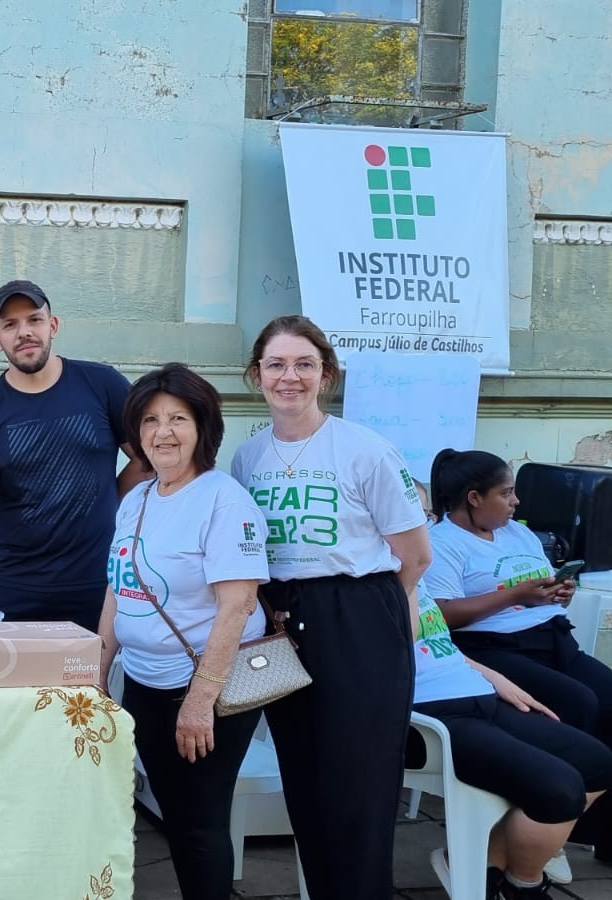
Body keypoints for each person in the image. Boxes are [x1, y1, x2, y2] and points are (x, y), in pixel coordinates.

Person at [229, 314, 431, 899]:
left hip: (358, 614)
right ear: (257, 374)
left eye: (304, 364)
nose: (289, 377)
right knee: (305, 780)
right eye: (276, 364)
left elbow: (415, 557)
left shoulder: (366, 450)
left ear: (327, 375)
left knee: (359, 786)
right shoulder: (247, 458)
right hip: (281, 621)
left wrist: (367, 616)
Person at [96, 364, 268, 900]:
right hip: (145, 683)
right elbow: (119, 589)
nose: (162, 432)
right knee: (175, 813)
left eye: (177, 419)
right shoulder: (138, 498)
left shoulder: (223, 500)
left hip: (205, 689)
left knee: (198, 821)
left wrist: (199, 701)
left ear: (203, 427)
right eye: (150, 420)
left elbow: (238, 604)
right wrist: (97, 673)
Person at [426, 448, 612, 862]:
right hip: (494, 648)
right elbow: (441, 614)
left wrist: (558, 592)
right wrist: (515, 595)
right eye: (506, 493)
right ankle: (555, 825)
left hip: (553, 638)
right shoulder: (443, 543)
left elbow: (538, 590)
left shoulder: (518, 534)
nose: (516, 502)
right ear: (475, 498)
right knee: (580, 702)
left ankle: (599, 833)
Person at [0, 279, 148, 630]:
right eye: (10, 325)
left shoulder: (102, 384)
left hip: (98, 583)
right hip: (13, 588)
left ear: (53, 325)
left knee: (91, 669)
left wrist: (110, 499)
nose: (24, 332)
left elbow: (146, 459)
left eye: (34, 320)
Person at [409, 585, 611, 899]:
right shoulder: (371, 583)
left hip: (477, 691)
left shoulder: (412, 578)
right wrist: (406, 581)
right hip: (432, 714)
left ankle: (487, 864)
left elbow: (438, 645)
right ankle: (524, 885)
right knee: (561, 790)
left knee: (598, 764)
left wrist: (494, 678)